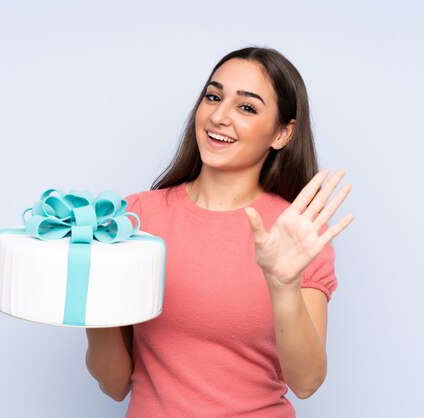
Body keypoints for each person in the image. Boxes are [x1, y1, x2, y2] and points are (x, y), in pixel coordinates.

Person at [85, 46, 354, 417]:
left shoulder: (296, 232)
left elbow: (306, 382)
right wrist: (90, 292)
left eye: (247, 107)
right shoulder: (135, 217)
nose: (220, 116)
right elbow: (115, 384)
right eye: (213, 97)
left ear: (282, 134)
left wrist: (283, 283)